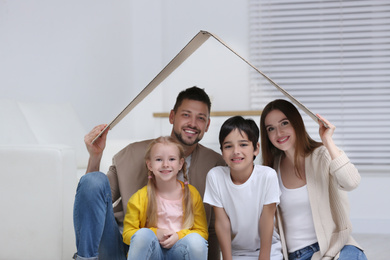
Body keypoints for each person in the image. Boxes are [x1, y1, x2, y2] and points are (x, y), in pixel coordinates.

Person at [73, 86, 226, 260]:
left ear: (207, 125)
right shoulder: (131, 154)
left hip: (179, 251)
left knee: (195, 241)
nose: (192, 123)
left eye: (200, 118)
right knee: (92, 181)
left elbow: (212, 229)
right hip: (122, 248)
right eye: (186, 115)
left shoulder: (215, 164)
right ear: (171, 116)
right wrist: (95, 157)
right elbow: (95, 195)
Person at [259, 99, 367, 260]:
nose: (279, 133)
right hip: (299, 255)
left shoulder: (321, 155)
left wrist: (328, 140)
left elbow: (351, 182)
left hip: (337, 248)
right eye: (271, 128)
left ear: (296, 123)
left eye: (284, 123)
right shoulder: (271, 170)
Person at [203, 116, 283, 260]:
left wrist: (263, 258)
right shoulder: (215, 176)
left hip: (268, 251)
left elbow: (267, 219)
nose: (236, 151)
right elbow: (222, 223)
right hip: (235, 253)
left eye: (243, 144)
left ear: (256, 148)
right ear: (222, 151)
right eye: (228, 146)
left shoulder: (267, 176)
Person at [123, 136, 208, 259]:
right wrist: (156, 233)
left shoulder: (192, 194)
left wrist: (179, 236)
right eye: (159, 159)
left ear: (180, 164)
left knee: (196, 241)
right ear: (150, 165)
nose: (165, 164)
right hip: (153, 253)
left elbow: (202, 232)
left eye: (172, 159)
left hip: (180, 251)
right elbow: (127, 234)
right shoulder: (139, 198)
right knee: (142, 235)